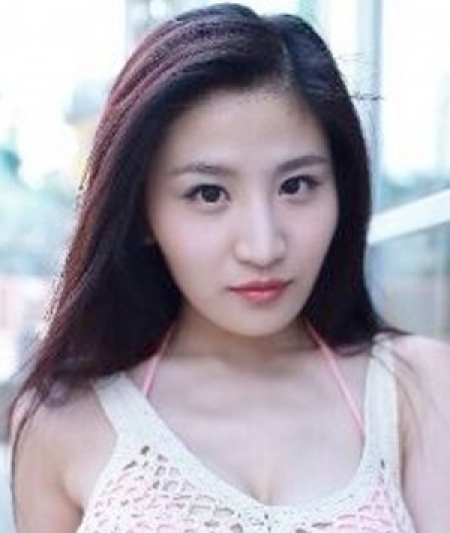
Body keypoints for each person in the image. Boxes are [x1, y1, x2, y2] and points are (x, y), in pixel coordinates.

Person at [9, 3, 450, 532]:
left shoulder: (418, 388)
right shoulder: (64, 420)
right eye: (209, 193)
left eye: (296, 185)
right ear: (142, 212)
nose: (262, 247)